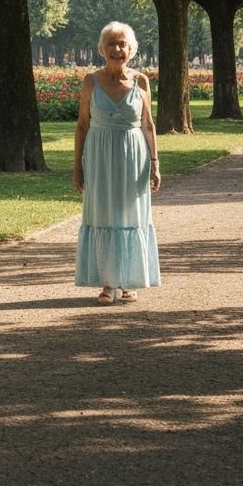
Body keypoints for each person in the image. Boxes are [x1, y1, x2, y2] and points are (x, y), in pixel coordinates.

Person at [73, 21, 161, 305]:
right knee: (103, 215)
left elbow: (148, 125)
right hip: (98, 156)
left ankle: (127, 280)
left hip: (133, 157)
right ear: (102, 48)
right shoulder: (91, 81)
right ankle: (109, 284)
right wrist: (77, 166)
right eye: (111, 43)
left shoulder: (141, 81)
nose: (117, 49)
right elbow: (82, 126)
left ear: (131, 49)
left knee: (130, 216)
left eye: (122, 44)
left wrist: (156, 163)